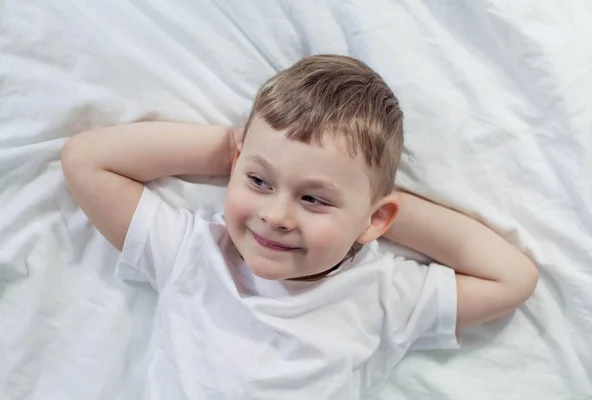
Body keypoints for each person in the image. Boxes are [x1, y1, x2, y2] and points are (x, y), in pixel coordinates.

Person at [61, 55, 538, 399]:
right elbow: (87, 161)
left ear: (376, 220)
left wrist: (371, 208)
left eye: (314, 198)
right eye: (259, 181)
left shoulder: (381, 294)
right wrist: (233, 149)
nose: (276, 215)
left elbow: (513, 278)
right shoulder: (192, 252)